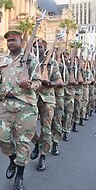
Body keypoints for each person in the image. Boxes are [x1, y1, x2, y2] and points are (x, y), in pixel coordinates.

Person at [0, 30, 41, 190]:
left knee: (24, 142)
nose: (10, 43)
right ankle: (12, 159)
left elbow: (39, 81)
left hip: (26, 106)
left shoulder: (31, 59)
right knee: (1, 138)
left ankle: (19, 177)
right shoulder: (1, 60)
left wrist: (29, 85)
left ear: (21, 41)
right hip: (5, 105)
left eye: (14, 40)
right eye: (8, 41)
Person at [29, 39, 62, 171]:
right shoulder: (29, 61)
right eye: (35, 46)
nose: (38, 49)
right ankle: (37, 143)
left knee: (46, 128)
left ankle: (43, 155)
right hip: (31, 98)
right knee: (28, 127)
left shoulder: (52, 63)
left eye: (40, 47)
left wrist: (50, 84)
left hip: (47, 99)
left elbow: (59, 81)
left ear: (45, 48)